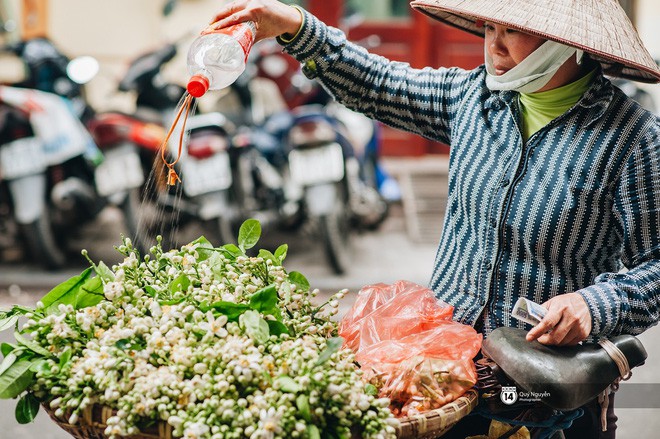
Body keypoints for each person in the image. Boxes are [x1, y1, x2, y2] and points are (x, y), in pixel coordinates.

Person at [207, 0, 660, 436]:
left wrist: (592, 306)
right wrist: (296, 26)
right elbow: (377, 83)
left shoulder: (632, 139)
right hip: (440, 376)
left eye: (514, 32)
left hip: (547, 392)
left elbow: (655, 266)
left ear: (568, 41)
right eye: (489, 29)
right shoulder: (473, 98)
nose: (495, 47)